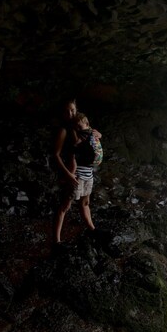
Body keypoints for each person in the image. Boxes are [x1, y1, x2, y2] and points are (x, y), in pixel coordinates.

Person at [51, 100, 100, 245]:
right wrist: (67, 174)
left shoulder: (81, 127)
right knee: (65, 206)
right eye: (66, 111)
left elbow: (93, 138)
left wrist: (99, 134)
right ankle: (56, 242)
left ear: (76, 109)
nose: (70, 114)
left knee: (85, 203)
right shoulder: (64, 130)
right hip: (73, 173)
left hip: (87, 172)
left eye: (72, 110)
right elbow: (56, 155)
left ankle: (93, 231)